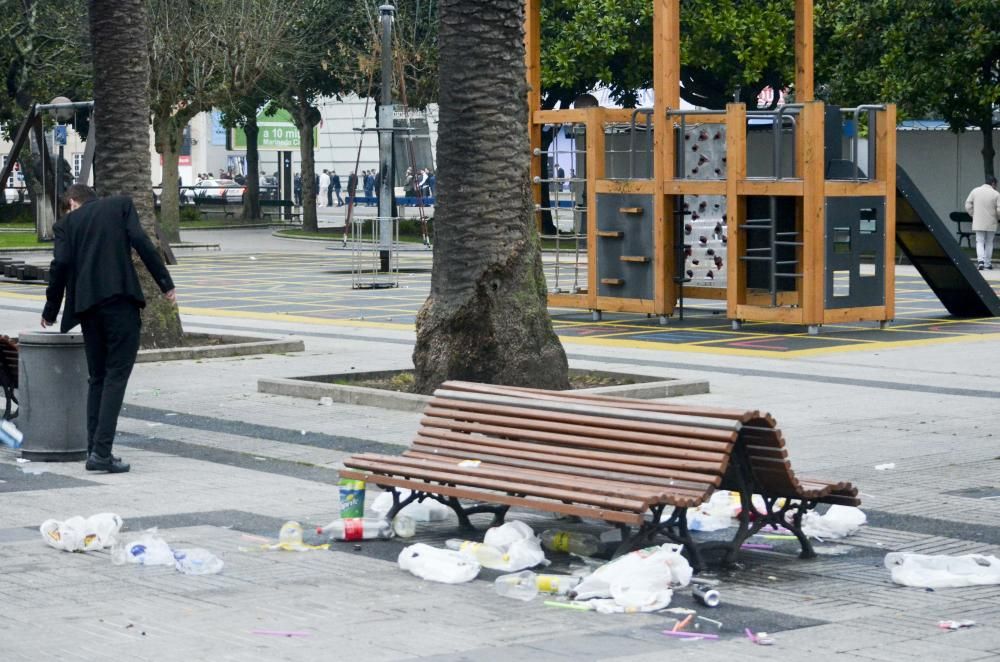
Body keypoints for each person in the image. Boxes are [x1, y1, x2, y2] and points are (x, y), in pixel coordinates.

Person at [41, 185, 176, 473]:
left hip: (87, 308)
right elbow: (141, 241)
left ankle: (95, 450)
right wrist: (165, 283)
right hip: (120, 303)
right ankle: (101, 453)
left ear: (73, 201)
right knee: (116, 375)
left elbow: (60, 265)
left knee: (98, 377)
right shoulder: (120, 206)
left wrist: (51, 310)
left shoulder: (66, 224)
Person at [964, 175, 1000, 270]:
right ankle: (987, 263)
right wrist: (997, 217)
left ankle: (980, 261)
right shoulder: (996, 194)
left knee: (979, 241)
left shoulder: (975, 191)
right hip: (991, 221)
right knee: (989, 242)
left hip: (978, 221)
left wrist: (973, 215)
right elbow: (999, 210)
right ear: (993, 183)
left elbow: (968, 205)